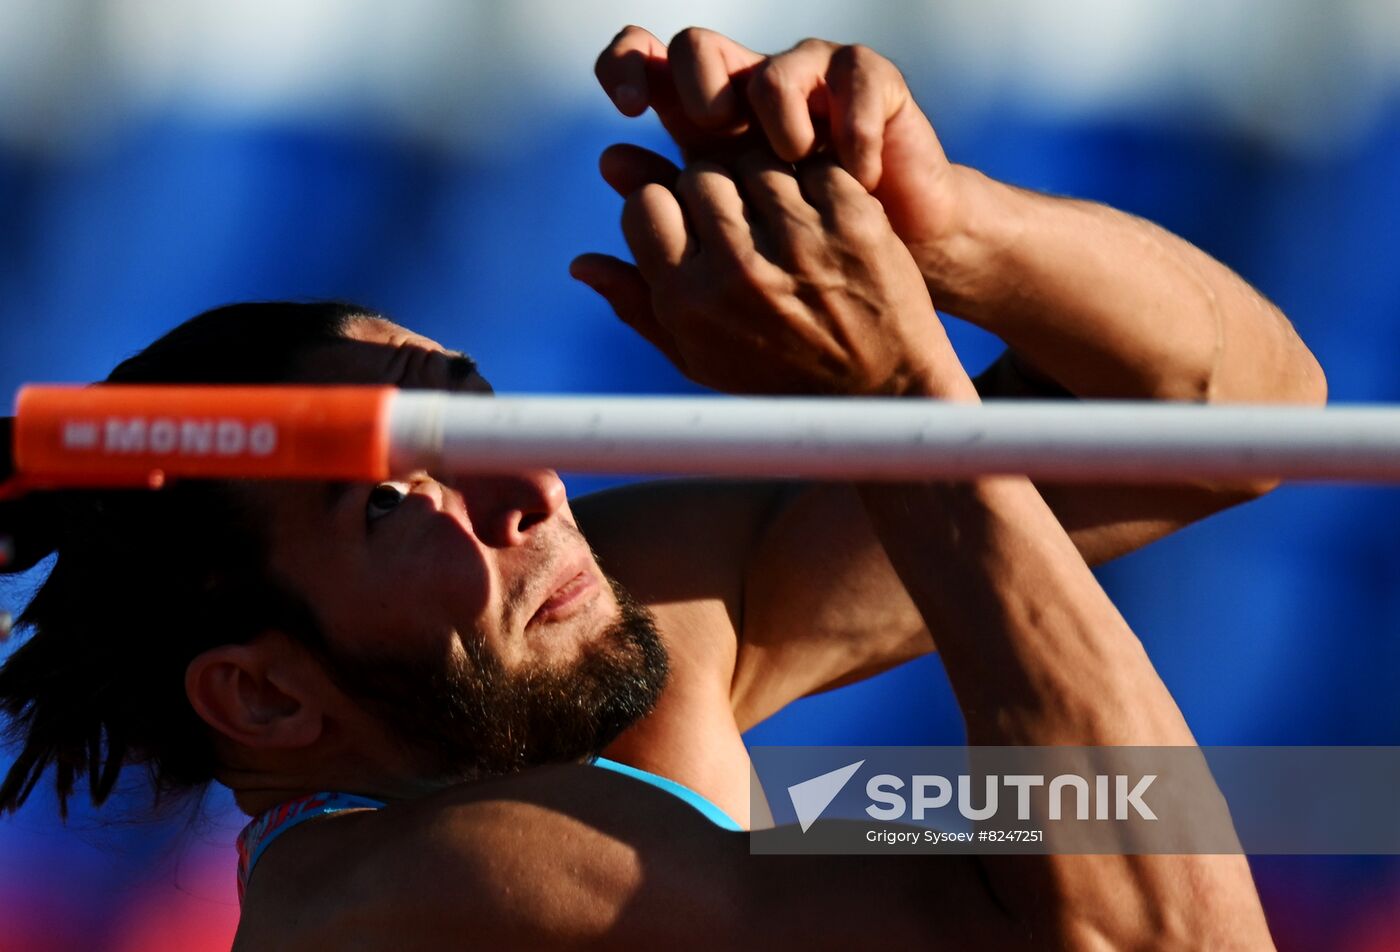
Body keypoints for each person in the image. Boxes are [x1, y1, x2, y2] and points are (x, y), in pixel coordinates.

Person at [0, 26, 1323, 950]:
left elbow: (1240, 416)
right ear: (266, 694)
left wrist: (941, 232)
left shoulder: (597, 628)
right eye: (394, 505)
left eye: (471, 415)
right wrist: (903, 404)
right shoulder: (406, 894)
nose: (525, 490)